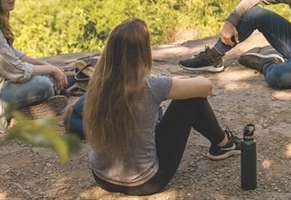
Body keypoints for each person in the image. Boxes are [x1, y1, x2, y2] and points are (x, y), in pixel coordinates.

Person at [86, 18, 240, 196]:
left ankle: (223, 144)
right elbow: (206, 86)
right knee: (191, 99)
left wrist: (172, 83)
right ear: (143, 51)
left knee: (182, 94)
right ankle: (223, 143)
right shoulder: (150, 85)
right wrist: (176, 84)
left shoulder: (98, 82)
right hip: (144, 183)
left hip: (102, 176)